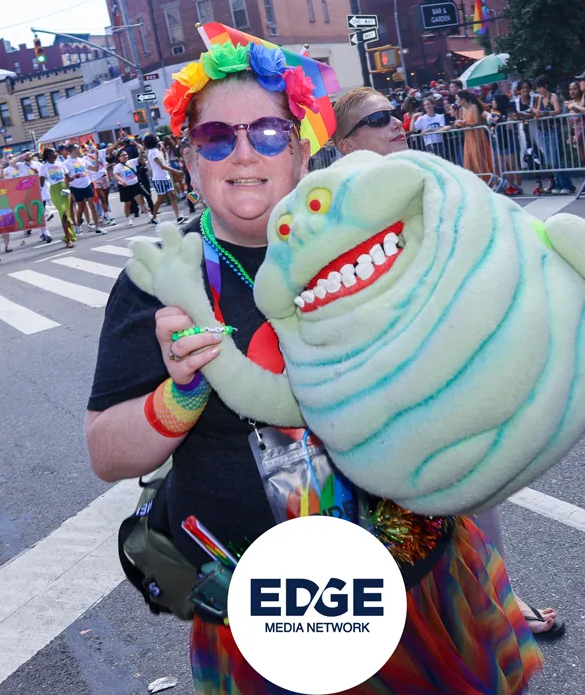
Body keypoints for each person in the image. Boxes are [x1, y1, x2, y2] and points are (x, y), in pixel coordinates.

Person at [87, 39, 542, 694]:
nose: (244, 154)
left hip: (411, 580)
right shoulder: (162, 276)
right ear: (189, 160)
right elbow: (107, 452)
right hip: (268, 611)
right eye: (216, 138)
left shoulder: (369, 234)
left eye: (269, 133)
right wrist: (181, 391)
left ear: (301, 150)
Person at [534, 76, 574, 194]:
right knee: (549, 160)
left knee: (555, 159)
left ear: (545, 86)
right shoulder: (539, 99)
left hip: (553, 130)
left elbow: (558, 111)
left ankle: (566, 184)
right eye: (537, 88)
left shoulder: (553, 97)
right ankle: (558, 183)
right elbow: (538, 111)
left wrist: (543, 113)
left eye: (540, 87)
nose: (538, 90)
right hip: (543, 131)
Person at [453, 89, 496, 182]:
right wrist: (458, 124)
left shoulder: (474, 107)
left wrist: (464, 124)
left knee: (479, 158)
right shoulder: (461, 110)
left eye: (457, 99)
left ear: (463, 99)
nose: (456, 101)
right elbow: (460, 124)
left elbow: (476, 123)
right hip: (468, 137)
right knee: (469, 160)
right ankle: (474, 181)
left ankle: (488, 180)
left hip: (477, 136)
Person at [145, 133, 188, 225]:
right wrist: (175, 171)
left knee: (172, 196)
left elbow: (164, 161)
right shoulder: (152, 152)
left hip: (165, 177)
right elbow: (161, 165)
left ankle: (178, 217)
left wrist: (163, 150)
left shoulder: (156, 151)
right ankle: (154, 217)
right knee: (160, 199)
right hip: (159, 179)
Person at [38, 147, 74, 248]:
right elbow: (41, 183)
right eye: (54, 153)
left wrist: (75, 177)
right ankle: (68, 239)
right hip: (55, 190)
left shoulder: (61, 164)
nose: (56, 154)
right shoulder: (44, 167)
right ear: (48, 155)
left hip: (64, 188)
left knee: (67, 213)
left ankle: (70, 236)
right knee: (63, 213)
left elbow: (68, 178)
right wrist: (41, 178)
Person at [66, 144, 103, 234]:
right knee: (81, 208)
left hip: (87, 184)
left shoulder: (82, 160)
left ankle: (98, 227)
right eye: (77, 148)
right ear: (72, 150)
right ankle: (78, 226)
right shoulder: (66, 163)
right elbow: (66, 179)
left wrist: (97, 158)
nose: (79, 149)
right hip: (76, 187)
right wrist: (68, 189)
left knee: (92, 205)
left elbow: (95, 169)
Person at [111, 151, 143, 225]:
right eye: (123, 155)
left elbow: (140, 159)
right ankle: (128, 218)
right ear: (119, 158)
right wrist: (122, 181)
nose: (125, 156)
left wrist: (141, 151)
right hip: (125, 187)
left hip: (134, 184)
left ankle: (149, 215)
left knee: (140, 201)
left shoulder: (131, 161)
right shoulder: (118, 166)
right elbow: (115, 175)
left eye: (126, 154)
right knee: (128, 204)